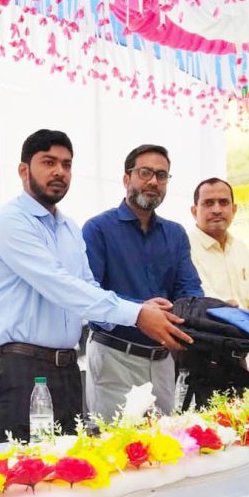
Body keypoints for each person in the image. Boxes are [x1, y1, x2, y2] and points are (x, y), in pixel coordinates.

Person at [0, 129, 191, 444]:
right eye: (48, 162)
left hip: (65, 370)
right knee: (25, 470)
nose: (59, 172)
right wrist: (137, 315)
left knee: (73, 469)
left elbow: (87, 287)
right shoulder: (11, 221)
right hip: (18, 370)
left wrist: (142, 310)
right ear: (23, 170)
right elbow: (59, 285)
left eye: (66, 164)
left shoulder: (69, 227)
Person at [82, 144, 203, 419]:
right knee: (119, 442)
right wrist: (141, 311)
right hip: (114, 358)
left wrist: (188, 314)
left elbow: (190, 290)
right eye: (145, 173)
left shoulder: (175, 234)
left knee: (167, 441)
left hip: (163, 360)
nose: (153, 182)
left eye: (162, 175)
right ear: (127, 178)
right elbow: (89, 296)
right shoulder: (97, 229)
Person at [187, 177, 249, 311]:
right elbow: (204, 300)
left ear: (234, 209)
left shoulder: (240, 247)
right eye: (208, 203)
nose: (217, 210)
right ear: (194, 211)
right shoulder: (185, 248)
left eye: (223, 202)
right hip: (213, 324)